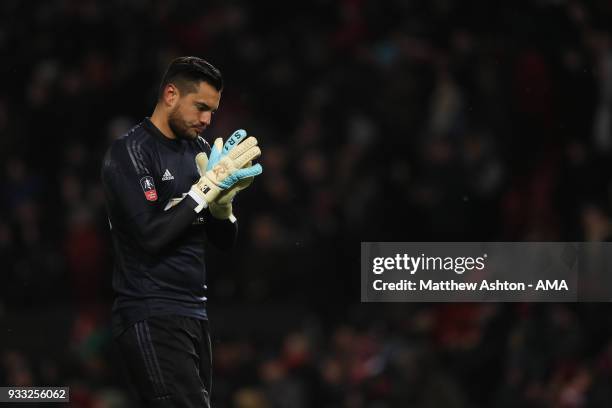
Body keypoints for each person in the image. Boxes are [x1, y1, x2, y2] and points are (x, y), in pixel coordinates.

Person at [101, 56, 262, 407]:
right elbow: (151, 236)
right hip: (150, 309)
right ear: (171, 94)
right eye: (201, 107)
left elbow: (222, 242)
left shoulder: (201, 151)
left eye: (213, 111)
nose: (207, 120)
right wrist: (203, 192)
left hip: (193, 313)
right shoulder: (129, 153)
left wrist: (223, 208)